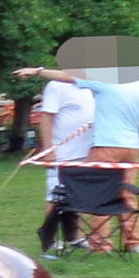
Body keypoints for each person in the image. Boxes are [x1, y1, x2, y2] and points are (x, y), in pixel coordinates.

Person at [17, 40, 139, 253]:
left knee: (99, 194)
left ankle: (101, 244)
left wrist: (37, 71)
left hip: (105, 145)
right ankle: (134, 242)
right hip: (132, 148)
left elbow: (67, 77)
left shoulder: (108, 82)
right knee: (127, 193)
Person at [34, 77, 94, 255]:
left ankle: (74, 235)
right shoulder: (56, 86)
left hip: (87, 151)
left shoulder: (90, 85)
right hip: (63, 151)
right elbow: (46, 116)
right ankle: (50, 236)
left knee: (81, 194)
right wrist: (48, 148)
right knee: (55, 195)